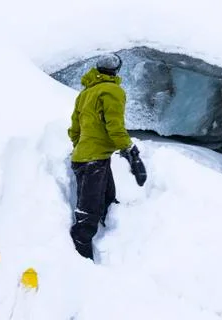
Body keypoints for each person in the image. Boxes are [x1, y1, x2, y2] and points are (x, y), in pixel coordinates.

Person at [68, 53, 145, 260]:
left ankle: (112, 235)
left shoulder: (85, 94)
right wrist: (130, 150)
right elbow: (115, 127)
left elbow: (74, 130)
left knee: (108, 199)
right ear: (117, 70)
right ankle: (79, 259)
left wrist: (82, 148)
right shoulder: (112, 91)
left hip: (84, 158)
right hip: (93, 159)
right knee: (88, 213)